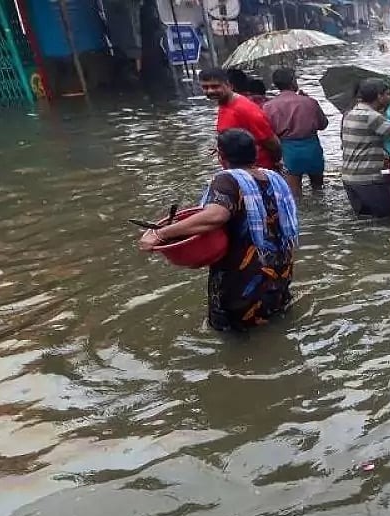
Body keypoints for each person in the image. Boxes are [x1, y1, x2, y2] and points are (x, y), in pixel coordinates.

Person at [137, 129, 298, 331]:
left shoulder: (227, 180)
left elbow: (216, 215)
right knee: (276, 325)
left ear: (222, 156)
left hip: (243, 278)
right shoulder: (273, 178)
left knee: (235, 339)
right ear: (254, 153)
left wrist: (160, 233)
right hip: (278, 270)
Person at [340, 78, 390, 218]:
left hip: (350, 179)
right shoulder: (372, 117)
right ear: (379, 96)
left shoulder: (349, 113)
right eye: (388, 94)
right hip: (368, 180)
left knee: (366, 221)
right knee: (389, 220)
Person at [199, 67, 282, 171]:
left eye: (215, 86)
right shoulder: (224, 103)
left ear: (229, 85)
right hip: (237, 171)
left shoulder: (245, 109)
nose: (210, 91)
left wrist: (276, 165)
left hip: (256, 174)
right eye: (205, 87)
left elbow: (272, 142)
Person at [262, 68, 328, 197]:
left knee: (294, 194)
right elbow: (323, 125)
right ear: (293, 81)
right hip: (312, 148)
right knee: (318, 189)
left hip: (289, 151)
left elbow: (269, 133)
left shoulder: (268, 106)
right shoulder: (310, 102)